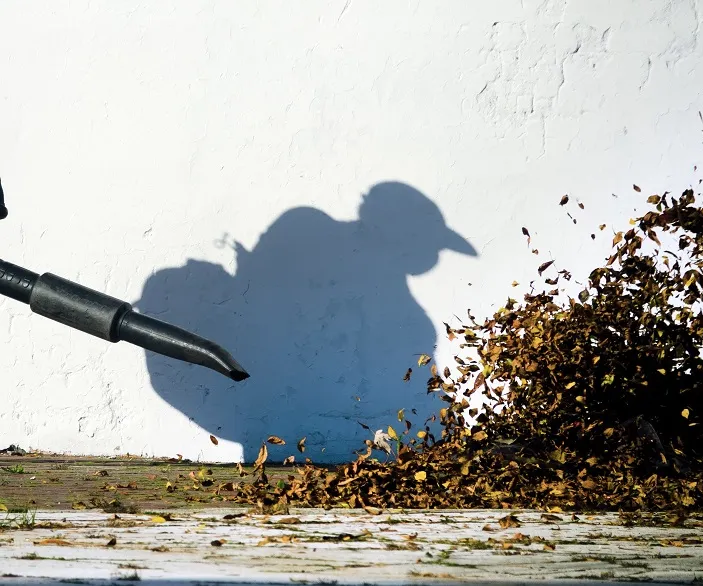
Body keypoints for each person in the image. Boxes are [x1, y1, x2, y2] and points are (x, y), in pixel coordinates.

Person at [136, 182, 476, 461]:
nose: (430, 255)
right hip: (268, 413)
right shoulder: (312, 237)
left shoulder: (377, 275)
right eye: (429, 243)